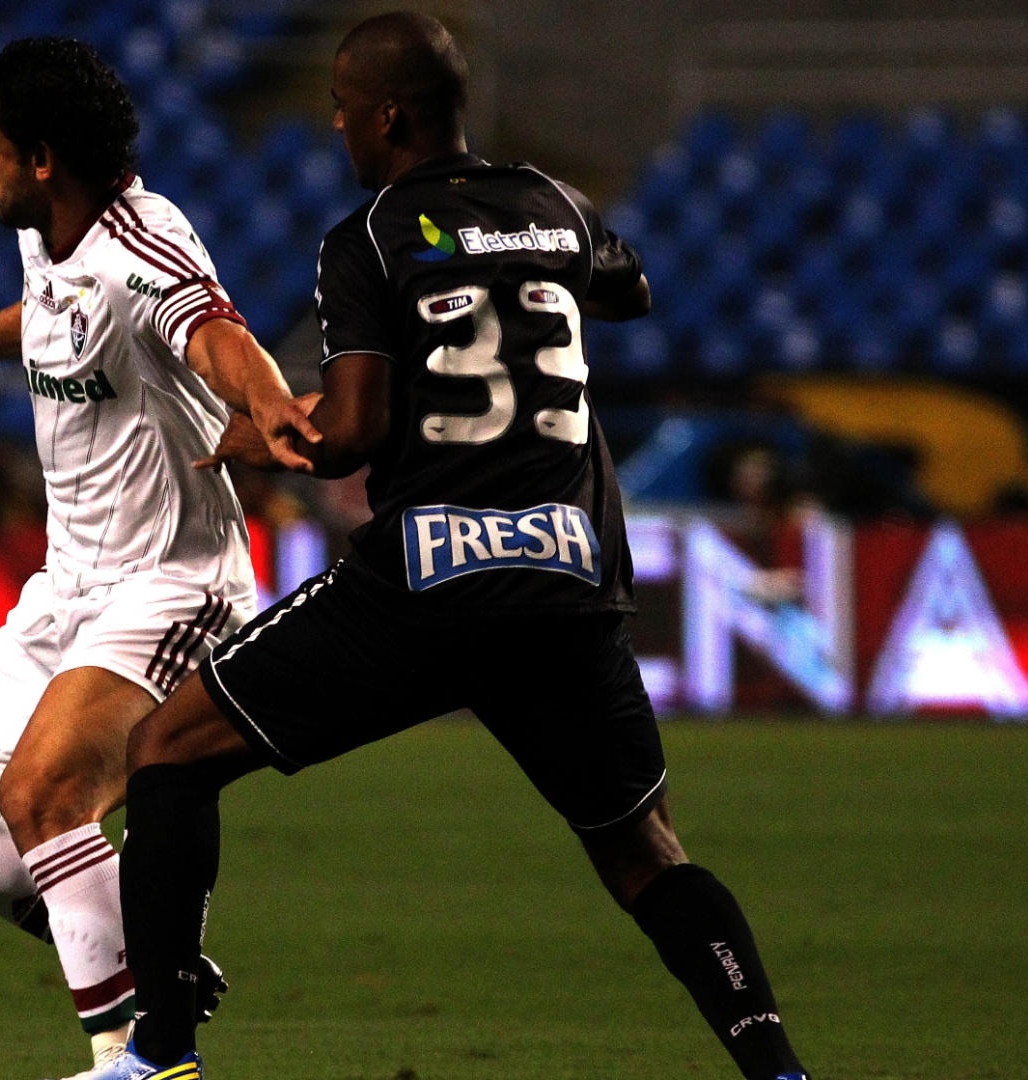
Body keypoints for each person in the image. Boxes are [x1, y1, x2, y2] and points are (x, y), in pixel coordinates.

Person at [98, 13, 812, 1080]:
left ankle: (159, 1053)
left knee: (168, 751)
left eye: (343, 110)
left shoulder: (370, 237)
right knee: (645, 853)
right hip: (565, 578)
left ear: (387, 116)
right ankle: (780, 1070)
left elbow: (354, 432)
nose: (336, 126)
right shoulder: (555, 203)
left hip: (424, 584)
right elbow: (630, 288)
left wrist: (269, 430)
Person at [0, 37, 318, 1080]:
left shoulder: (146, 244)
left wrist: (269, 403)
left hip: (171, 584)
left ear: (45, 160)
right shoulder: (50, 235)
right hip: (67, 587)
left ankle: (140, 1057)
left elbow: (213, 331)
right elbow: (56, 310)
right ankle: (155, 962)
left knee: (43, 796)